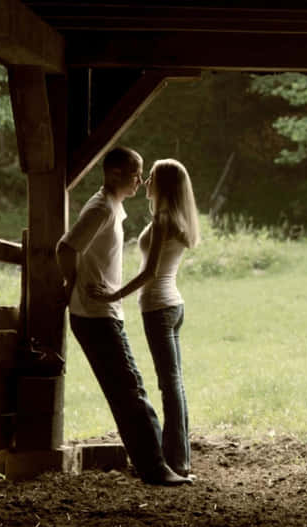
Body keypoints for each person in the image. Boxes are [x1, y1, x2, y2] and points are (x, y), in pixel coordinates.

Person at [56, 147, 191, 486]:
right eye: (135, 173)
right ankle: (157, 468)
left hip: (105, 311)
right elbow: (66, 247)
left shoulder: (114, 208)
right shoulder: (102, 208)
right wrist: (71, 284)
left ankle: (154, 463)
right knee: (131, 390)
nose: (140, 180)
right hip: (95, 312)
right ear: (114, 174)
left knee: (127, 390)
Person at [89, 158, 200, 479]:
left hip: (159, 309)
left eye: (150, 176)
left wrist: (111, 295)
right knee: (173, 384)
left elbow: (149, 273)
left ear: (162, 184)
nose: (145, 181)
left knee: (170, 385)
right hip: (172, 306)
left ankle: (176, 461)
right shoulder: (175, 218)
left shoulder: (165, 219)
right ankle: (178, 456)